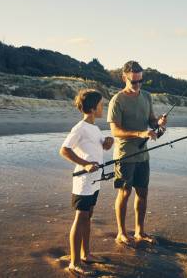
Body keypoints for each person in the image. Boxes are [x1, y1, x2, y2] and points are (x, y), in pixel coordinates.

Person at [107, 60, 168, 246]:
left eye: (140, 81)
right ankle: (121, 233)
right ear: (124, 78)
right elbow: (115, 131)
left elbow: (150, 120)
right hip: (125, 154)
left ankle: (140, 231)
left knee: (143, 193)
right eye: (134, 81)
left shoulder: (147, 96)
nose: (138, 85)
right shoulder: (117, 100)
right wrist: (140, 133)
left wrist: (158, 124)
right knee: (124, 194)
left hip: (143, 154)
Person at [59, 89, 114, 276]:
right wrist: (85, 164)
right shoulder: (80, 128)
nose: (103, 107)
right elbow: (64, 150)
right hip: (83, 181)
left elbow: (100, 147)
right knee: (81, 218)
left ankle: (86, 254)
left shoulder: (95, 128)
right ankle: (74, 263)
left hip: (95, 180)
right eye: (101, 105)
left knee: (88, 216)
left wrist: (108, 142)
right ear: (92, 108)